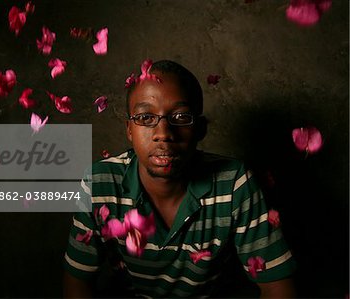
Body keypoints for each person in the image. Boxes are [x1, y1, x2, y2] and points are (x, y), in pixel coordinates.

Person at [63, 60, 296, 298]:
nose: (163, 134)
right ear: (129, 130)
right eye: (145, 118)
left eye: (181, 117)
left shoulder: (235, 183)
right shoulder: (99, 184)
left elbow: (276, 285)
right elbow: (78, 282)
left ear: (200, 129)